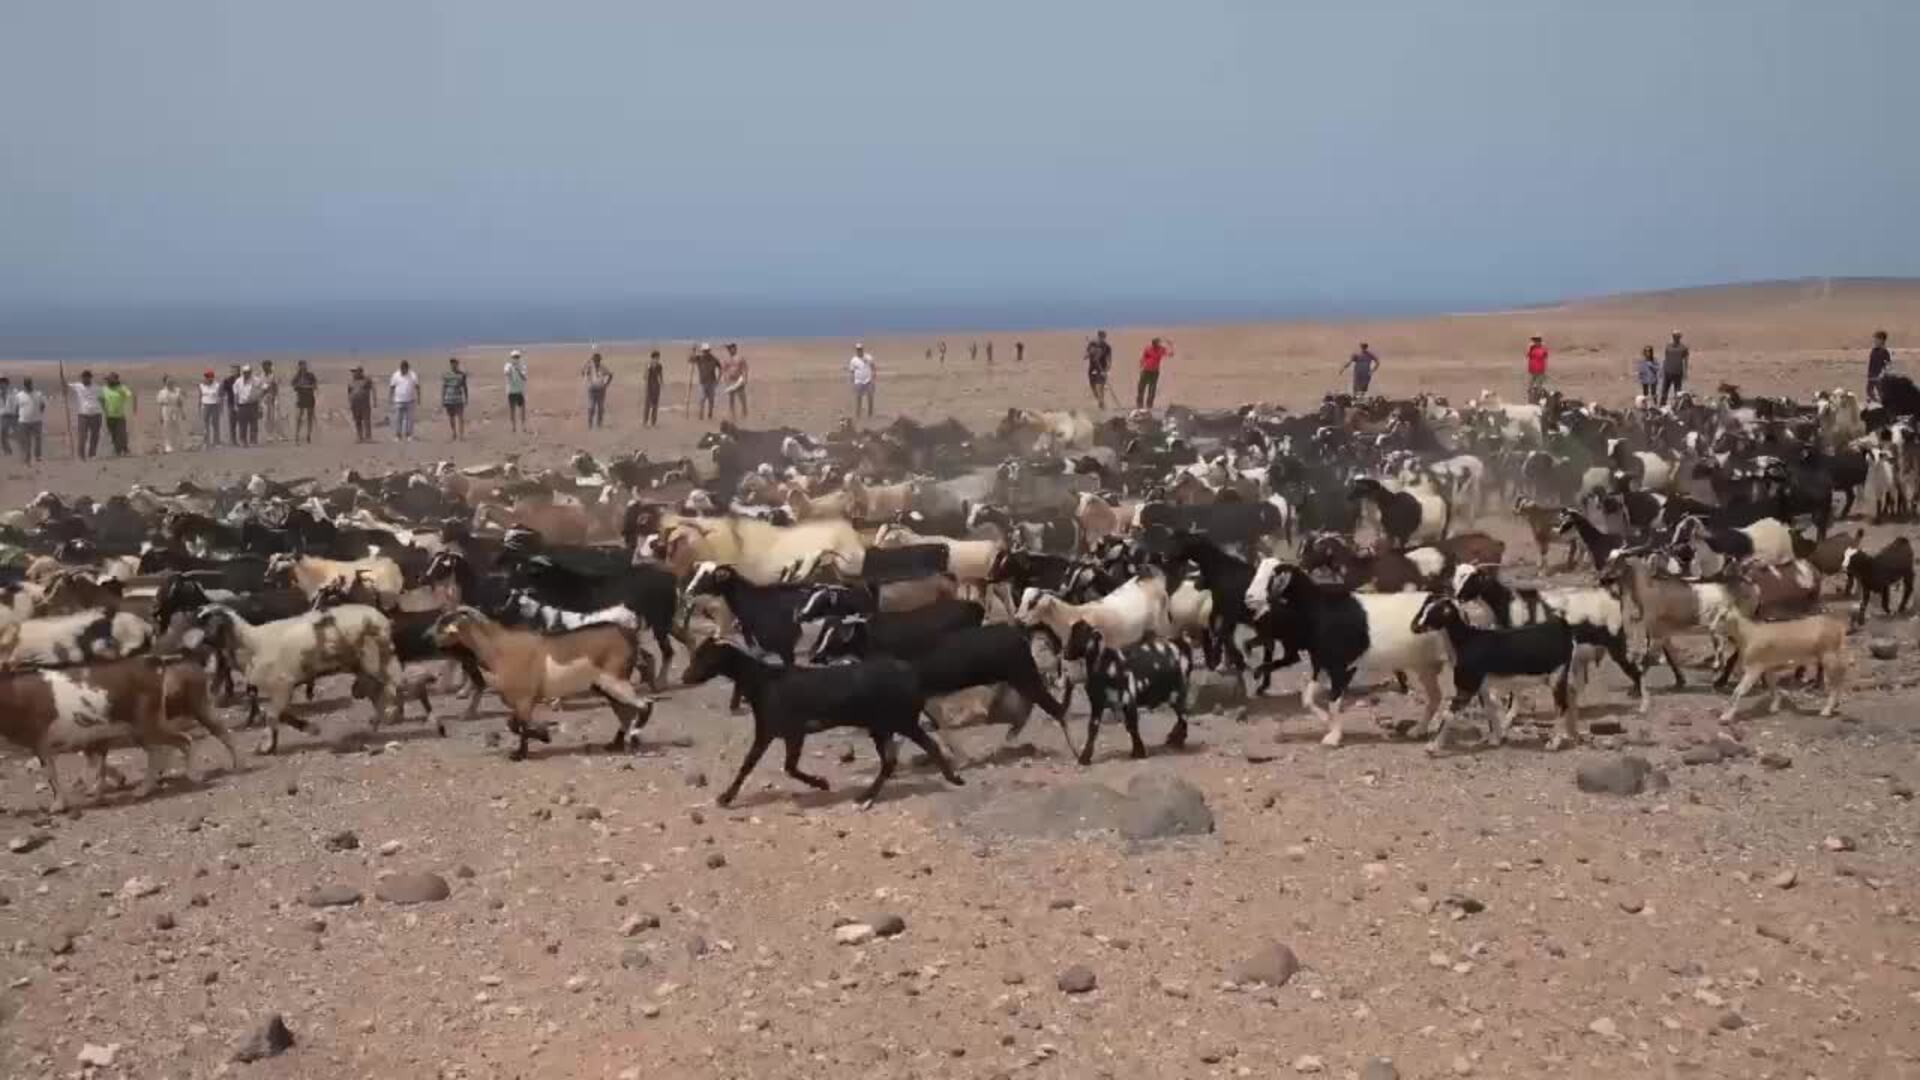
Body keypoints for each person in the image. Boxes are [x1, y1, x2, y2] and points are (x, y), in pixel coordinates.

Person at [70, 369, 104, 459]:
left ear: (90, 378)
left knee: (95, 436)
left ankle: (92, 454)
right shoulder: (78, 386)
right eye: (83, 377)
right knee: (82, 436)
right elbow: (65, 385)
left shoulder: (97, 387)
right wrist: (62, 379)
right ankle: (81, 455)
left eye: (86, 377)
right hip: (83, 415)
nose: (84, 379)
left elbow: (103, 399)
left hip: (96, 414)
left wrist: (103, 409)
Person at [99, 372, 134, 456]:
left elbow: (129, 395)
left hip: (120, 416)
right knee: (113, 434)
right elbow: (101, 399)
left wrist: (131, 394)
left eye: (109, 379)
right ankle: (117, 450)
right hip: (109, 416)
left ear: (115, 379)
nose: (107, 381)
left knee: (121, 433)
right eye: (107, 380)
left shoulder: (122, 388)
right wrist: (104, 409)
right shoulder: (104, 389)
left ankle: (123, 449)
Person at [14, 378, 47, 464]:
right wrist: (17, 417)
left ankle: (38, 456)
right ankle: (27, 458)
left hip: (36, 421)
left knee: (38, 439)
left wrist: (38, 413)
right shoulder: (19, 395)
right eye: (26, 384)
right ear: (24, 385)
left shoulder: (38, 394)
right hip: (23, 422)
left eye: (29, 383)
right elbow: (16, 408)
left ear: (31, 384)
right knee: (26, 441)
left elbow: (43, 405)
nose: (28, 385)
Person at [689, 344, 722, 420]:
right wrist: (693, 351)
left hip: (712, 382)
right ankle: (701, 416)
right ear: (702, 351)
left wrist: (718, 380)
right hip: (702, 383)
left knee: (711, 400)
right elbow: (689, 360)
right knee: (702, 399)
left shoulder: (714, 359)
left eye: (707, 351)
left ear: (709, 351)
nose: (705, 352)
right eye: (704, 351)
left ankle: (710, 415)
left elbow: (720, 368)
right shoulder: (699, 358)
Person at [388, 360, 419, 441]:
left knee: (410, 419)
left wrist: (419, 398)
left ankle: (409, 435)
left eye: (405, 368)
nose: (403, 370)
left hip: (410, 400)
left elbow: (417, 386)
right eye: (402, 368)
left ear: (407, 368)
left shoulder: (413, 375)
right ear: (400, 367)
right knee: (398, 419)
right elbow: (392, 387)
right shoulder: (396, 375)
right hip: (398, 401)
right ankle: (398, 435)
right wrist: (390, 398)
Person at [232, 364, 262, 446]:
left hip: (253, 404)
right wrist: (235, 405)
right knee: (242, 424)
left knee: (254, 424)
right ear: (243, 372)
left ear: (251, 372)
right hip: (242, 405)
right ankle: (243, 440)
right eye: (245, 372)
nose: (246, 374)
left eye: (248, 372)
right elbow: (236, 394)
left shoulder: (256, 380)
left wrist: (260, 406)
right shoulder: (238, 381)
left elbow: (259, 393)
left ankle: (253, 440)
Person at [1137, 336, 1170, 409]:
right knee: (1141, 388)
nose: (1158, 344)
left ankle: (1149, 406)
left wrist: (1170, 344)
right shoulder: (1148, 349)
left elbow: (1170, 354)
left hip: (1154, 372)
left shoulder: (1161, 349)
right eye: (1157, 343)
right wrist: (1141, 366)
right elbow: (1143, 358)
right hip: (1146, 371)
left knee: (1152, 389)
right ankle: (1139, 405)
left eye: (1159, 343)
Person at [155, 375, 186, 453]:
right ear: (165, 382)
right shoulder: (162, 392)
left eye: (171, 381)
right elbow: (160, 404)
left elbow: (180, 402)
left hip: (175, 409)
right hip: (166, 409)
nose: (170, 382)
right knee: (167, 427)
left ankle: (179, 444)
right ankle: (168, 445)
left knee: (177, 427)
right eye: (168, 381)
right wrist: (160, 415)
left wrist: (182, 412)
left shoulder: (177, 390)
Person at [441, 356, 470, 440]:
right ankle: (454, 433)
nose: (453, 364)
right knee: (451, 417)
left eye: (454, 363)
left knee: (460, 417)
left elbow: (465, 387)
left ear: (457, 364)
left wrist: (466, 398)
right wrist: (442, 399)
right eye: (452, 363)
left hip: (458, 399)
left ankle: (461, 435)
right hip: (448, 399)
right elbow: (444, 387)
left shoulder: (462, 375)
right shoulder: (446, 375)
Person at [583, 351, 613, 428]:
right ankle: (590, 423)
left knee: (600, 407)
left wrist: (606, 385)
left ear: (599, 360)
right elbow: (583, 372)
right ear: (593, 360)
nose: (596, 362)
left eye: (598, 360)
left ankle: (599, 424)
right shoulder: (590, 367)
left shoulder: (603, 367)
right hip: (592, 390)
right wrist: (587, 363)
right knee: (591, 407)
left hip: (601, 390)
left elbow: (610, 375)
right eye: (595, 360)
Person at [291, 360, 318, 443]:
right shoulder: (297, 376)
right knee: (299, 417)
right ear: (299, 366)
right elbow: (293, 385)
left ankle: (308, 435)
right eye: (302, 365)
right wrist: (299, 387)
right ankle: (297, 435)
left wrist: (305, 387)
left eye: (304, 365)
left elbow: (315, 386)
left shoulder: (310, 375)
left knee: (310, 416)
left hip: (309, 397)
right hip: (301, 398)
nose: (303, 367)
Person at [1084, 330, 1113, 409]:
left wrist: (1106, 370)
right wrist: (1090, 353)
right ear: (1098, 336)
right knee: (1094, 389)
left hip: (1102, 371)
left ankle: (1101, 405)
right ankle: (1101, 403)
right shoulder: (1092, 344)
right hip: (1092, 370)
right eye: (1100, 337)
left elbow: (1109, 360)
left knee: (1099, 388)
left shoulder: (1107, 347)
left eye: (1103, 337)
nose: (1102, 339)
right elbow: (1085, 357)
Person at [1660, 331, 1689, 405]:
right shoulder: (1668, 346)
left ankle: (1677, 405)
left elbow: (1686, 360)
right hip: (1668, 371)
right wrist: (1663, 369)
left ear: (1679, 337)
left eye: (1677, 336)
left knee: (1677, 391)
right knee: (1665, 391)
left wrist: (1685, 372)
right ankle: (1662, 405)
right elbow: (1666, 358)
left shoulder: (1683, 348)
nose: (1676, 338)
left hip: (1677, 372)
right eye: (1675, 336)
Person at [503, 349, 529, 432]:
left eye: (517, 356)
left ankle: (523, 426)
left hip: (519, 391)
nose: (516, 358)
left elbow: (524, 378)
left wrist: (518, 370)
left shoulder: (522, 366)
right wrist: (510, 370)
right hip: (511, 391)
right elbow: (506, 373)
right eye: (514, 357)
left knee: (522, 410)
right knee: (512, 410)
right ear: (511, 357)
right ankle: (513, 427)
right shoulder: (508, 365)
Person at [347, 365, 375, 442]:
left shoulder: (367, 380)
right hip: (355, 405)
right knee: (357, 421)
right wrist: (349, 403)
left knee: (366, 420)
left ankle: (368, 437)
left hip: (365, 404)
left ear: (360, 371)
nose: (353, 373)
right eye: (352, 372)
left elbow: (373, 389)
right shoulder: (351, 382)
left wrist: (375, 401)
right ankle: (359, 437)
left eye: (355, 371)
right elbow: (349, 392)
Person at [849, 343, 877, 417]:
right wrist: (853, 383)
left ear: (863, 349)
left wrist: (873, 380)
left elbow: (873, 367)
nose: (859, 350)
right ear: (856, 350)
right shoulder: (853, 360)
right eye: (858, 349)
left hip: (868, 381)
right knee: (858, 399)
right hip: (858, 382)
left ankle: (870, 414)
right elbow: (852, 372)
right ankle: (858, 415)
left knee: (870, 398)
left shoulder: (868, 357)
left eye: (860, 349)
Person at [722, 343, 750, 418]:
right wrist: (725, 379)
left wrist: (745, 378)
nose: (730, 350)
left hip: (739, 381)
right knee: (731, 400)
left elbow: (745, 368)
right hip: (730, 381)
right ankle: (733, 415)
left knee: (742, 399)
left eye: (731, 348)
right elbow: (724, 370)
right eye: (729, 349)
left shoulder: (740, 358)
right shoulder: (726, 359)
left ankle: (744, 415)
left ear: (735, 349)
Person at [198, 369, 223, 448]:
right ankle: (206, 442)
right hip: (205, 405)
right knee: (206, 425)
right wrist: (198, 407)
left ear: (212, 377)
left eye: (208, 376)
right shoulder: (201, 385)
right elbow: (200, 396)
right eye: (206, 376)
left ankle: (216, 442)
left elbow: (220, 397)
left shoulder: (217, 385)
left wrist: (220, 408)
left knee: (215, 424)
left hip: (215, 405)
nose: (206, 378)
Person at [259, 360, 283, 441]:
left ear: (270, 366)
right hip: (265, 399)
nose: (265, 367)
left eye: (267, 366)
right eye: (264, 366)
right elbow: (261, 388)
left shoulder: (274, 375)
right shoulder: (261, 376)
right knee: (266, 418)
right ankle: (269, 435)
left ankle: (279, 435)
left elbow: (276, 387)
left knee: (275, 418)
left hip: (274, 398)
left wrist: (274, 397)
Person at [1868, 330, 1893, 402]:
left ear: (1882, 340)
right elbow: (1871, 363)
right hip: (1871, 375)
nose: (1875, 341)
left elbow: (1888, 364)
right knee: (1869, 391)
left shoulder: (1884, 351)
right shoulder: (1874, 350)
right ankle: (1877, 403)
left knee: (1880, 392)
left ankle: (1884, 405)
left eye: (1876, 339)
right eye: (1874, 339)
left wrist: (1883, 374)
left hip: (1879, 376)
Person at [643, 349, 665, 426]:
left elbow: (661, 376)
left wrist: (662, 384)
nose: (657, 360)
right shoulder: (648, 365)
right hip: (649, 388)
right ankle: (645, 422)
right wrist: (648, 369)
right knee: (647, 405)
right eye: (655, 358)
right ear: (652, 358)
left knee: (655, 406)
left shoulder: (659, 366)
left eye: (658, 358)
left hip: (656, 387)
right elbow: (645, 377)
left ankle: (653, 422)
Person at [220, 364, 241, 444]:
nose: (233, 372)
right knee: (232, 423)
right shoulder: (228, 380)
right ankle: (233, 440)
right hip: (231, 404)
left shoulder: (242, 379)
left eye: (234, 370)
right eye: (232, 370)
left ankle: (242, 439)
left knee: (242, 423)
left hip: (241, 404)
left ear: (238, 371)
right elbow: (222, 391)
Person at [1524, 335, 1550, 401]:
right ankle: (1530, 398)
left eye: (1536, 341)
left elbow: (1545, 356)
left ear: (1539, 342)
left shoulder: (1543, 349)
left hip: (1540, 370)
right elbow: (1527, 355)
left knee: (1539, 385)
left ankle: (1538, 399)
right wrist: (1529, 348)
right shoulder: (1532, 348)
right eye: (1534, 341)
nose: (1535, 342)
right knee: (1530, 385)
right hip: (1532, 370)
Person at [0, 376, 14, 456]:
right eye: (0, 384)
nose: (2, 386)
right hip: (2, 417)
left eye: (3, 384)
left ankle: (8, 451)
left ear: (7, 384)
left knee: (3, 434)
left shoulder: (12, 394)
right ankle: (7, 451)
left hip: (10, 416)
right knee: (2, 435)